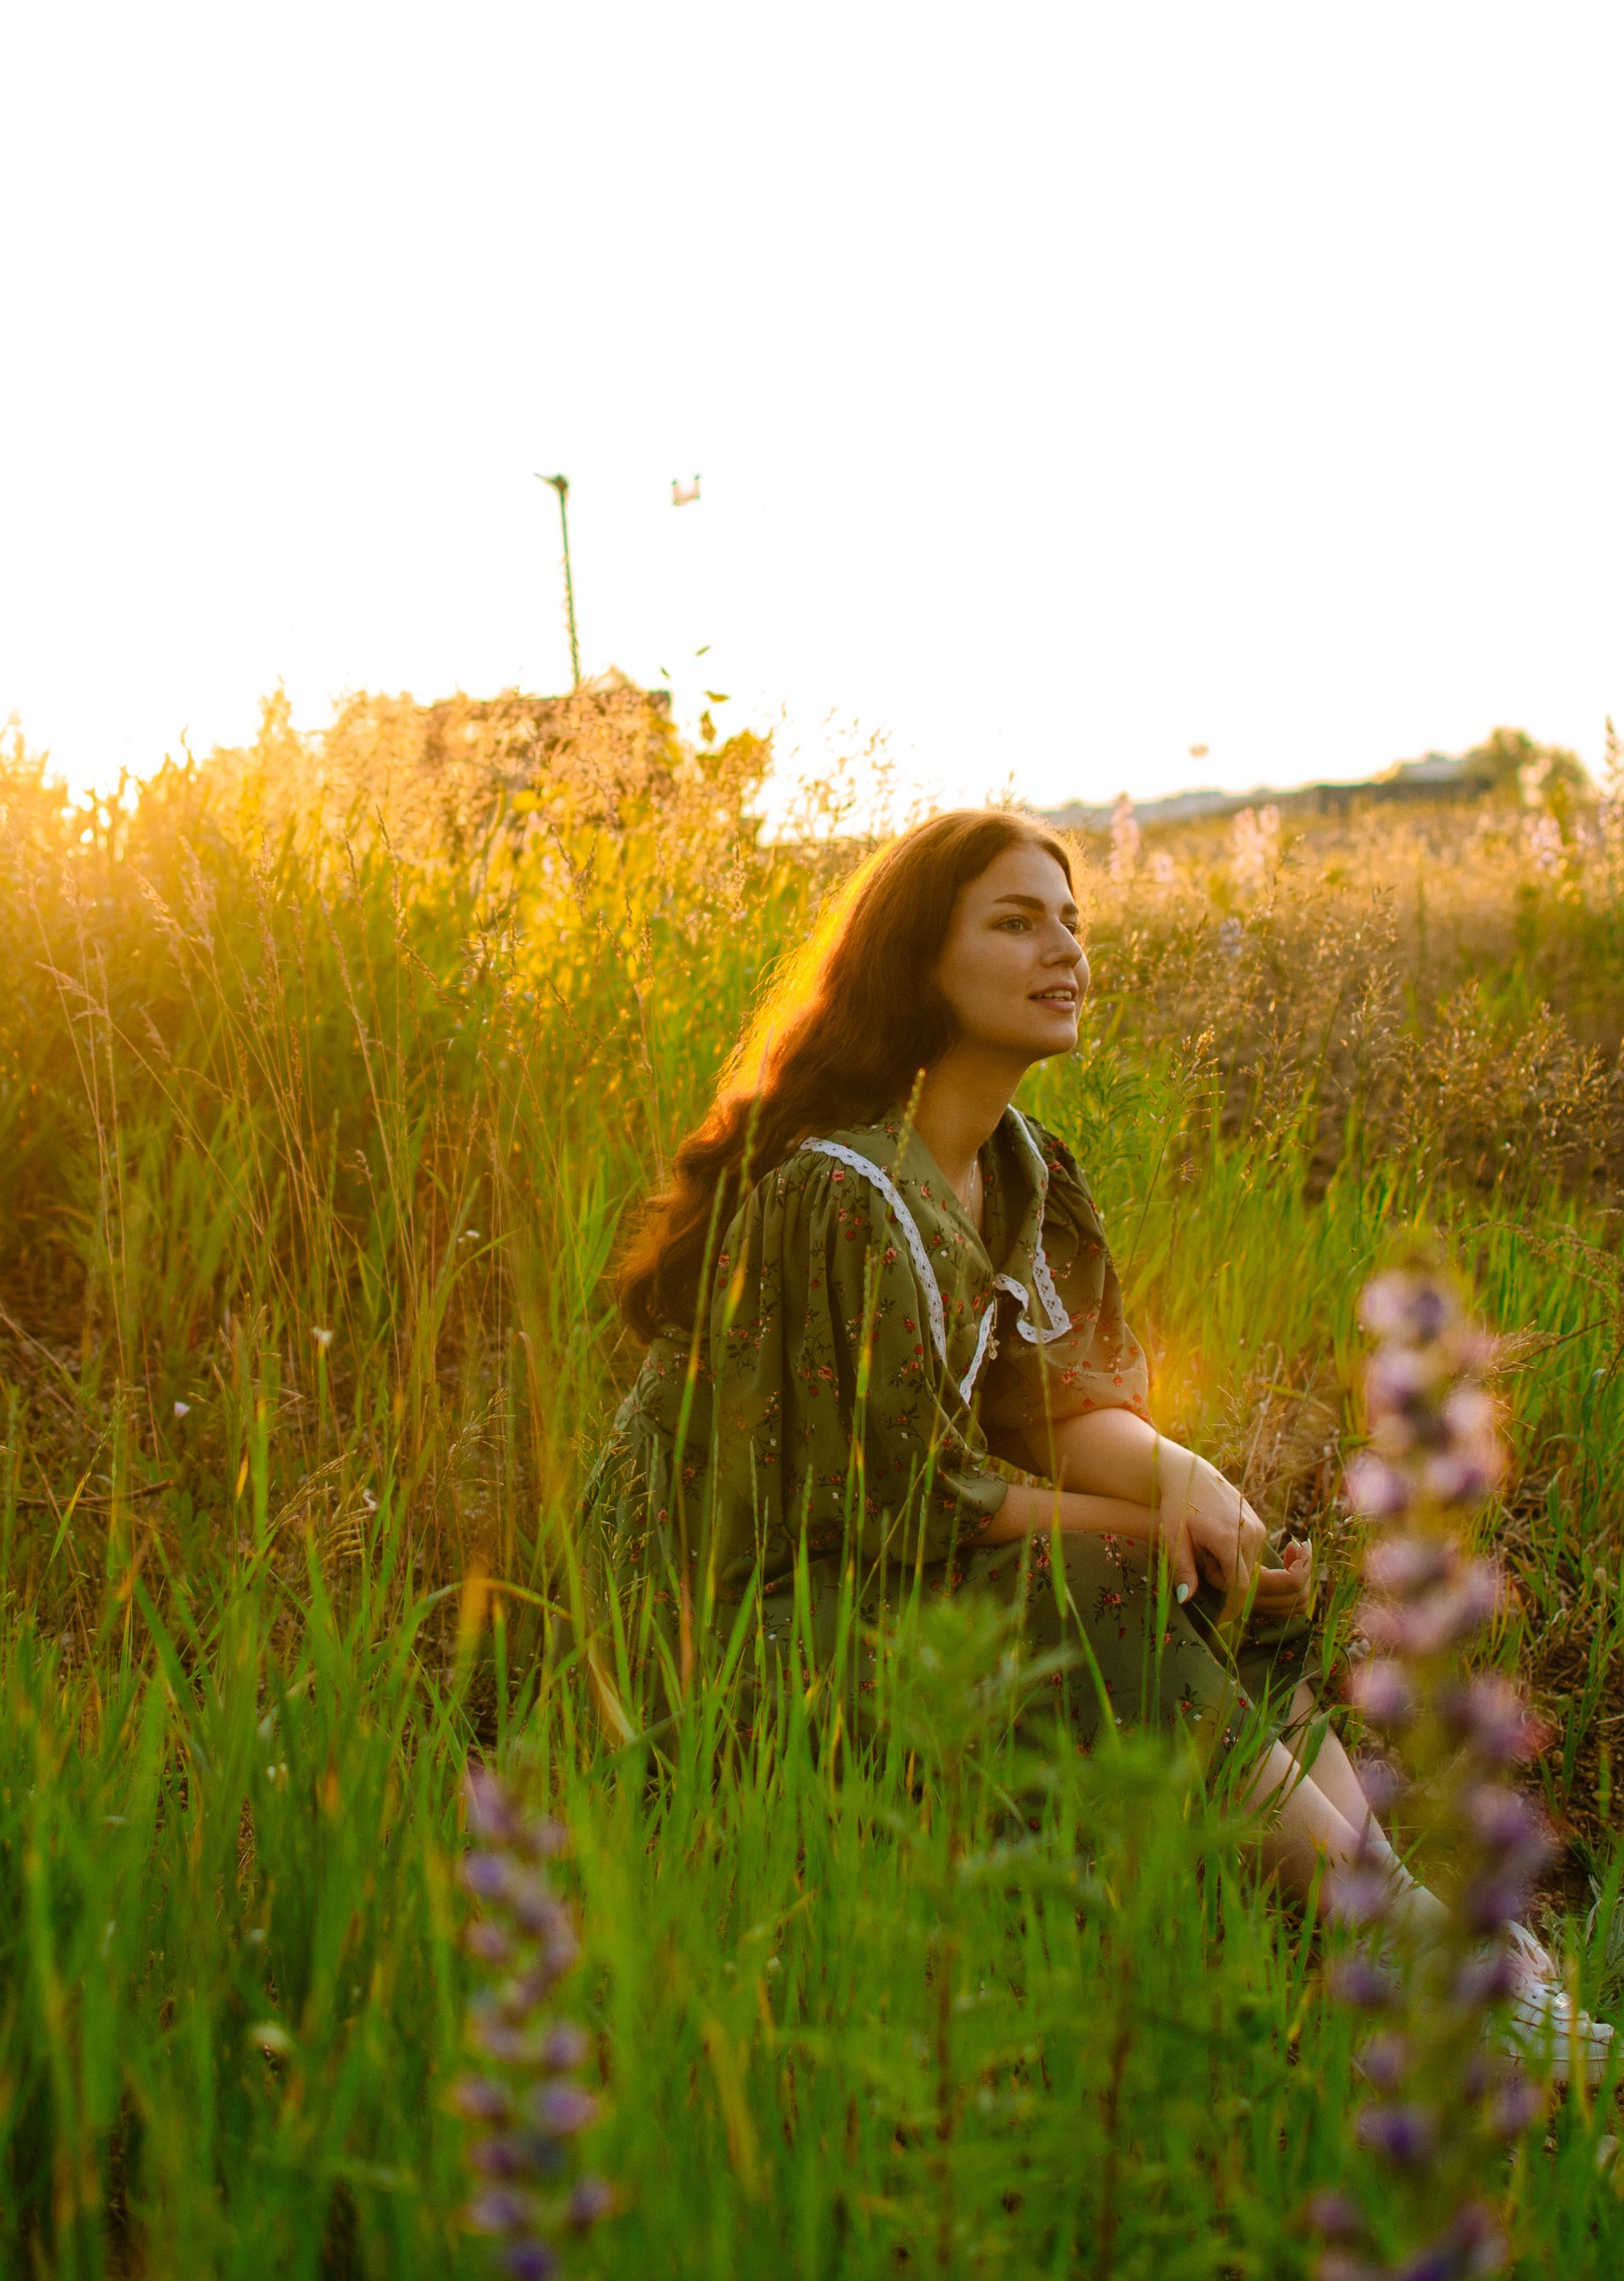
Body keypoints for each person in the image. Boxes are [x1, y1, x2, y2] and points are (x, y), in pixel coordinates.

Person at [589, 810, 1439, 1909]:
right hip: (722, 1619)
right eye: (1015, 921)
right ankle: (1399, 1940)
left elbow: (1056, 1405)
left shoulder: (1024, 1165)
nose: (1064, 950)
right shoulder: (840, 1190)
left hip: (868, 1579)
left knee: (1224, 1569)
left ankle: (1422, 1926)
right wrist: (1150, 1530)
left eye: (1071, 922)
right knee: (1124, 1573)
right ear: (921, 964)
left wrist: (1196, 1490)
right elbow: (907, 1504)